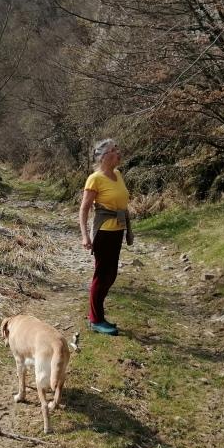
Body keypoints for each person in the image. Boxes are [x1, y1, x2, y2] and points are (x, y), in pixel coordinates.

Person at [79, 138, 133, 335]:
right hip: (103, 233)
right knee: (102, 276)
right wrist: (85, 236)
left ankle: (97, 314)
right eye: (113, 150)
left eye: (117, 148)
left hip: (117, 230)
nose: (118, 152)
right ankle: (95, 319)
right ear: (103, 157)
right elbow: (84, 209)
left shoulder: (118, 174)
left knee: (111, 275)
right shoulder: (95, 178)